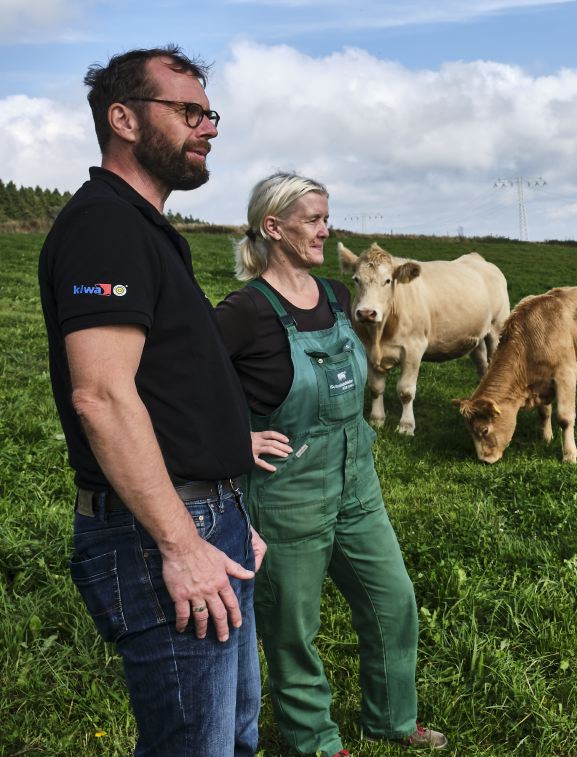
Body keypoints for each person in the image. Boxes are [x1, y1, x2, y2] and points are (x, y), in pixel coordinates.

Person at [39, 45, 264, 755]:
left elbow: (166, 383)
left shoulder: (146, 228)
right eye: (188, 111)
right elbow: (102, 394)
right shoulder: (104, 224)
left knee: (232, 735)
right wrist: (181, 540)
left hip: (207, 517)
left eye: (209, 112)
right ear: (124, 119)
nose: (209, 128)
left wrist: (228, 496)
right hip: (158, 531)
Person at [214, 172, 446, 755]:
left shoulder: (338, 297)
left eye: (325, 216)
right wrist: (235, 439)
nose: (325, 229)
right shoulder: (243, 312)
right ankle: (313, 740)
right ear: (274, 227)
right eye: (313, 219)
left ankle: (393, 719)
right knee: (294, 630)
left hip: (356, 481)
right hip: (287, 492)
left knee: (393, 601)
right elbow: (181, 387)